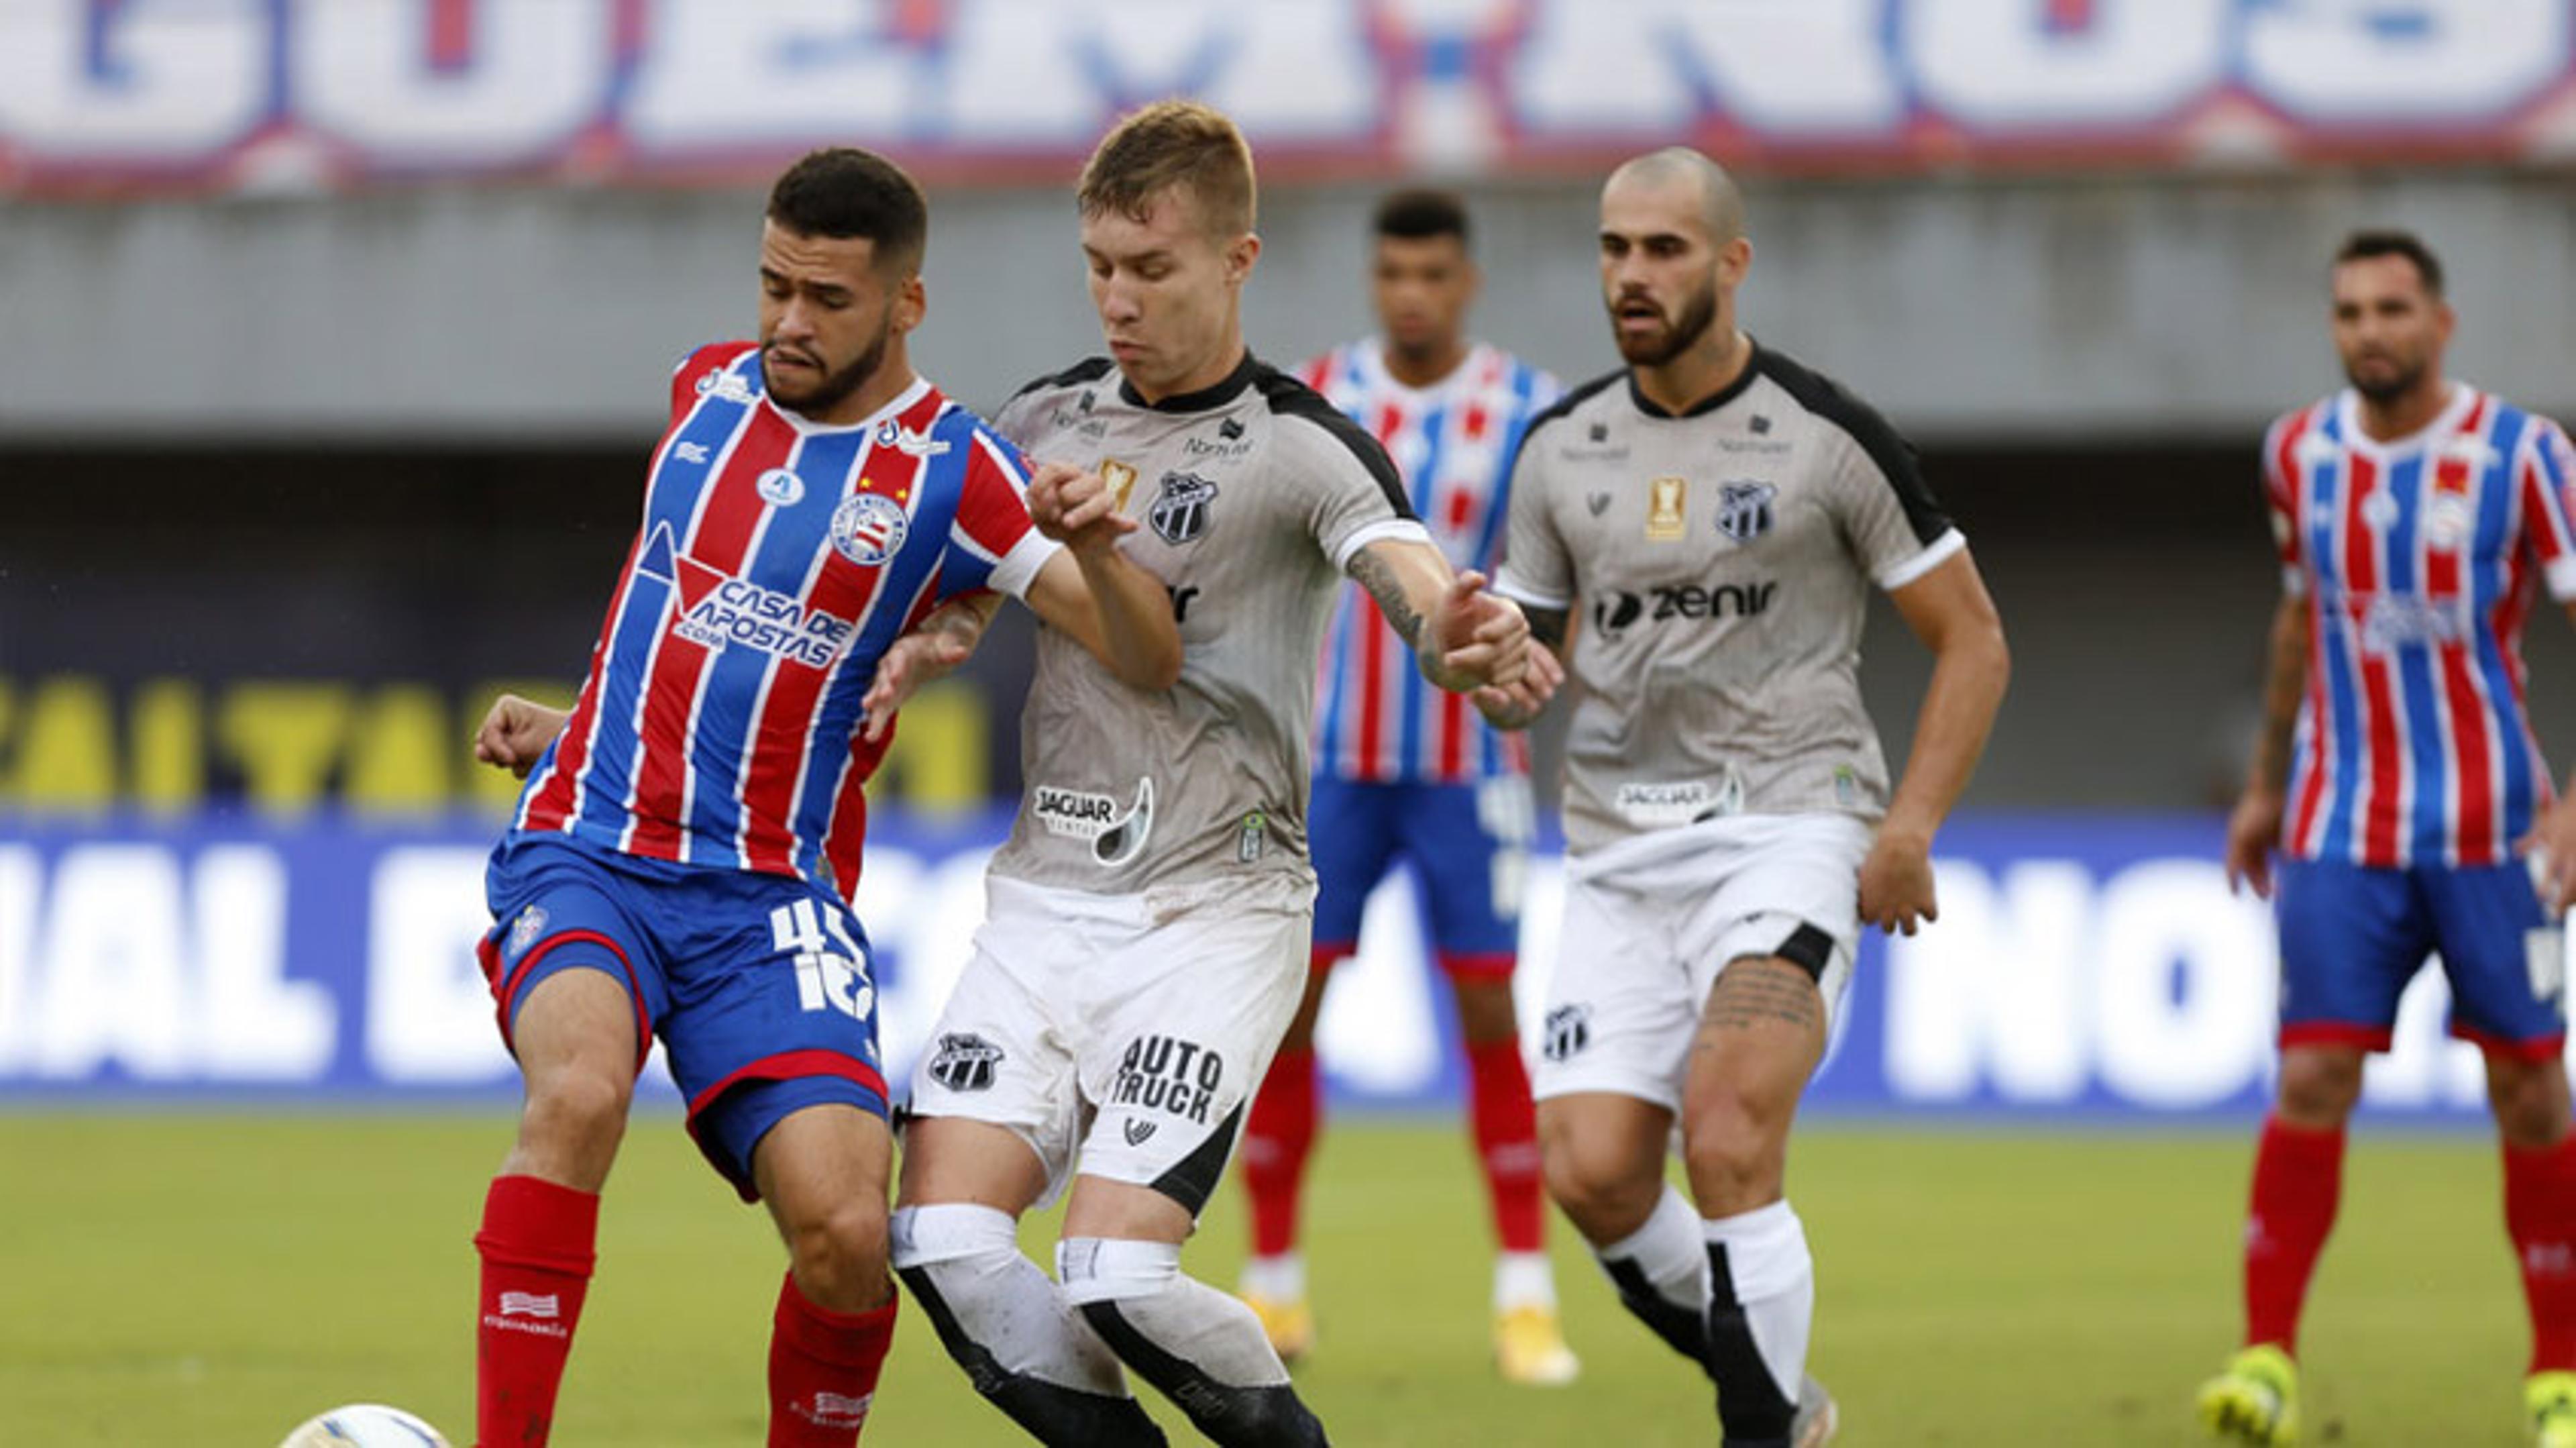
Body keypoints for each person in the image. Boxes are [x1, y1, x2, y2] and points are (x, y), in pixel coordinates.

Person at [460, 146, 1181, 1448]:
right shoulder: (702, 392)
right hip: (592, 845)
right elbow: (672, 607)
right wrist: (581, 722)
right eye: (774, 285)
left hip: (770, 896)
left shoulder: (955, 473)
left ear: (907, 302)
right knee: (575, 1093)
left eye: (828, 298)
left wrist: (1084, 552)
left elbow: (1143, 652)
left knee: (851, 1232)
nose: (790, 322)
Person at [885, 100, 1540, 1448]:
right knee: (942, 1235)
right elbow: (960, 599)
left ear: (1238, 260)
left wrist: (1467, 635)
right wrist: (926, 644)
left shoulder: (1306, 445)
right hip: (1041, 910)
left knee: (1115, 1271)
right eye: (1101, 267)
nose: (1119, 298)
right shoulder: (1042, 420)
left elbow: (1407, 572)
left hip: (1217, 912)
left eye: (1154, 267)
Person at [1481, 147, 2010, 1448]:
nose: (1632, 274)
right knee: (1595, 1175)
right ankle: (1792, 1404)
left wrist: (1908, 826)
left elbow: (1975, 637)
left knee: (1723, 1134)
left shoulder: (1828, 436)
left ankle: (1757, 1431)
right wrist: (1483, 665)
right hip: (1614, 848)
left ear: (1731, 261)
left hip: (1789, 825)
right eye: (1614, 248)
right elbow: (1518, 676)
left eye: (1663, 248)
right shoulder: (1561, 448)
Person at [2196, 229, 2576, 1448]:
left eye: (2394, 309)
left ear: (2442, 323)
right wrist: (2263, 783)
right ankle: (2264, 1359)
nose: (2371, 330)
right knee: (2312, 1073)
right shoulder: (2297, 453)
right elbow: (2300, 617)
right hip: (2337, 824)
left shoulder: (2525, 456)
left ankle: (2559, 1375)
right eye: (2351, 310)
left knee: (2530, 1088)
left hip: (2493, 829)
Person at [1229, 187, 1576, 1384]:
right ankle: (1272, 1288)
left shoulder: (1528, 409)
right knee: (1291, 1015)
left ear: (1465, 282)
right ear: (1375, 281)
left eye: (1433, 275)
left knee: (1489, 1015)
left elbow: (1559, 565)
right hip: (1327, 763)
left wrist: (1547, 645)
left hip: (1469, 764)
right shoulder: (1317, 395)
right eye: (1394, 275)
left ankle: (1525, 1295)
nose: (1412, 295)